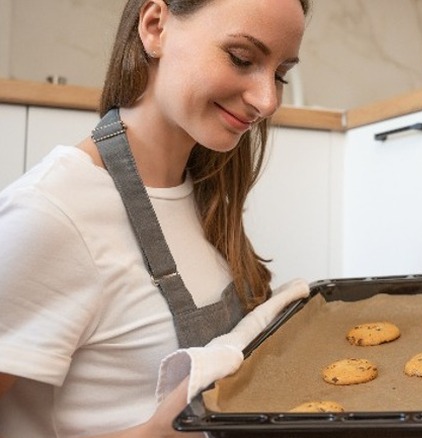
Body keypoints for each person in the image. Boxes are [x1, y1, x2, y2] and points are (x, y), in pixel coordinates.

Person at [0, 0, 309, 436]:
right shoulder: (51, 213)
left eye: (280, 74)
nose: (268, 100)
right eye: (242, 58)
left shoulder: (205, 192)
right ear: (155, 26)